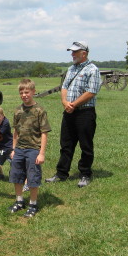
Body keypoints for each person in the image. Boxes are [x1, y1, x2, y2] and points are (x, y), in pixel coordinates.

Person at [46, 41, 101, 187]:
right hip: (69, 112)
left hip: (85, 113)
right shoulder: (71, 69)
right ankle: (61, 173)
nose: (72, 54)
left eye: (75, 52)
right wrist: (65, 102)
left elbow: (91, 91)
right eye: (72, 51)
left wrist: (74, 104)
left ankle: (85, 174)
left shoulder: (93, 69)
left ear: (84, 53)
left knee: (86, 145)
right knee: (66, 144)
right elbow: (64, 87)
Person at [9, 79, 51, 217]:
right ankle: (19, 201)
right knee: (16, 176)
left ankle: (33, 203)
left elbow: (44, 133)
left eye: (27, 92)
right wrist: (13, 149)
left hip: (33, 149)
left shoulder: (39, 111)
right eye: (21, 92)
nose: (24, 95)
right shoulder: (18, 111)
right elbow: (15, 132)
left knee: (33, 177)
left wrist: (41, 153)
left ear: (33, 91)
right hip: (19, 149)